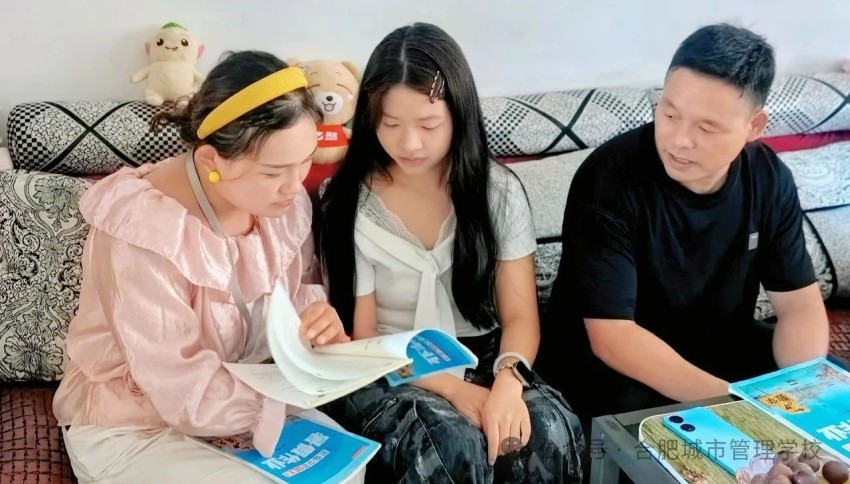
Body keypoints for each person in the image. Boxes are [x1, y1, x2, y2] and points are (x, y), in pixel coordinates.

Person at [52, 50, 364, 483]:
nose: (295, 188)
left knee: (348, 469)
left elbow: (294, 296)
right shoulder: (143, 232)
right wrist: (277, 400)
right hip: (136, 424)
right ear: (210, 162)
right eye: (274, 172)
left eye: (305, 161)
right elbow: (178, 385)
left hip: (246, 400)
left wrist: (313, 323)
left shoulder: (282, 208)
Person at [317, 22, 584, 483]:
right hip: (387, 362)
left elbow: (521, 317)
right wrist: (454, 391)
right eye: (390, 124)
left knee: (544, 430)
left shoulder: (497, 193)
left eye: (428, 125)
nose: (409, 143)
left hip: (487, 354)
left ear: (459, 114)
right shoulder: (348, 203)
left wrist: (508, 383)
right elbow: (363, 336)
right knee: (448, 444)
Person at [539, 23, 830, 429]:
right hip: (614, 362)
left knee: (827, 381)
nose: (679, 140)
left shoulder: (768, 179)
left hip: (713, 351)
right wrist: (740, 408)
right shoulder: (609, 179)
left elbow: (798, 307)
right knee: (632, 409)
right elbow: (613, 337)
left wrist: (801, 391)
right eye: (670, 114)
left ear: (754, 127)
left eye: (705, 128)